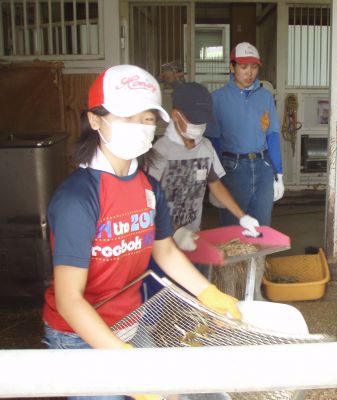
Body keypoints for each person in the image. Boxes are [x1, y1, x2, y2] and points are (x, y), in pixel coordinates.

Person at [42, 65, 241, 400]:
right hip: (79, 334)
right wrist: (126, 363)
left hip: (130, 320)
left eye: (148, 118)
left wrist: (209, 294)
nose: (140, 126)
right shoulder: (78, 198)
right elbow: (69, 300)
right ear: (95, 120)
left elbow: (163, 251)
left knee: (170, 393)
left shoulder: (147, 187)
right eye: (127, 116)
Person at [142, 82, 260, 297]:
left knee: (193, 297)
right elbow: (146, 202)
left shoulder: (205, 147)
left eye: (202, 121)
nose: (199, 126)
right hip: (161, 243)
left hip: (193, 239)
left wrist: (242, 216)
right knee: (159, 300)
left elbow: (215, 183)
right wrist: (176, 231)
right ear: (175, 115)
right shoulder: (160, 152)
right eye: (194, 120)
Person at [205, 42, 284, 227]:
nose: (249, 73)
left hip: (263, 166)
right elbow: (213, 143)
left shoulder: (265, 96)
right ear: (232, 67)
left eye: (254, 67)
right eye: (243, 67)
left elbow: (272, 135)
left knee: (262, 226)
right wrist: (214, 181)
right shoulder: (217, 98)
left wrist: (278, 173)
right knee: (233, 227)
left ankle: (258, 258)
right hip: (232, 167)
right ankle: (237, 258)